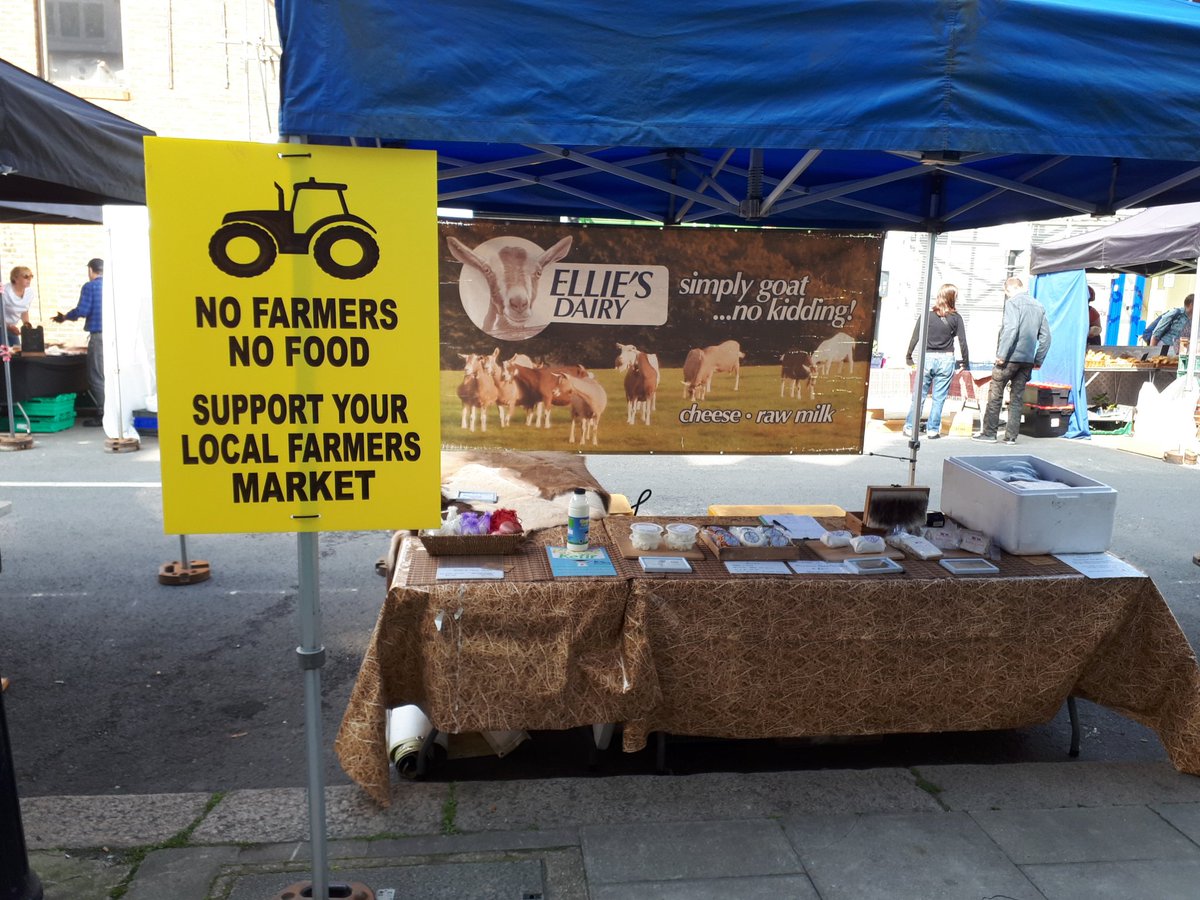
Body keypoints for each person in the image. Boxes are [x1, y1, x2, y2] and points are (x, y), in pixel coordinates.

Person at [973, 276, 1051, 444]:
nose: (1007, 296)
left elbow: (1011, 328)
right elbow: (1046, 337)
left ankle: (989, 433)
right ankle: (1011, 437)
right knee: (1017, 398)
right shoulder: (1039, 306)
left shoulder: (1012, 303)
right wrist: (1038, 359)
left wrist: (1001, 354)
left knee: (996, 394)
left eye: (1006, 292)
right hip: (1027, 360)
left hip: (1009, 358)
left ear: (1010, 289)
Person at [903, 283, 970, 439]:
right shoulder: (956, 318)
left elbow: (915, 337)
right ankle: (933, 430)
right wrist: (965, 363)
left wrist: (908, 357)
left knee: (919, 395)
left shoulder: (926, 315)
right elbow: (963, 342)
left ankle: (910, 427)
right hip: (946, 359)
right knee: (939, 397)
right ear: (952, 298)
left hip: (926, 358)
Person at [53, 258, 104, 427]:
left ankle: (103, 413)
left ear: (90, 270)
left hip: (99, 336)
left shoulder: (90, 286)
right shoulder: (114, 285)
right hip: (118, 337)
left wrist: (65, 317)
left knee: (96, 376)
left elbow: (83, 310)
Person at [1, 266, 35, 347]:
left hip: (12, 328)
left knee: (16, 353)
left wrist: (26, 324)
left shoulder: (29, 292)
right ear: (15, 278)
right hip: (2, 327)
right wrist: (8, 326)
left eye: (31, 276)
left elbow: (24, 310)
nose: (29, 279)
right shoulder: (4, 292)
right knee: (5, 354)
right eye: (26, 276)